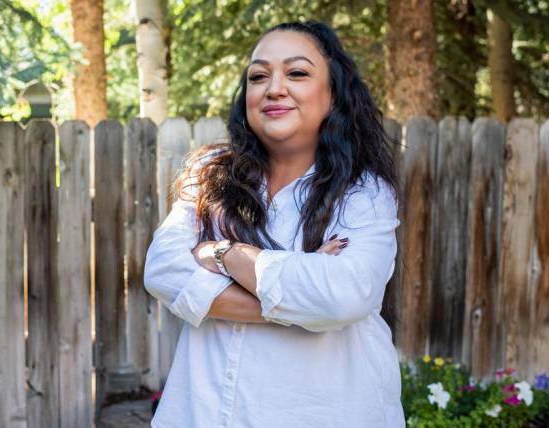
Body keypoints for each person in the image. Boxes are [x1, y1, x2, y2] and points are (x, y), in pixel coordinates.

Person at [143, 20, 404, 427]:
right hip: (204, 412)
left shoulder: (363, 193)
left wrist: (224, 254)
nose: (273, 88)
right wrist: (300, 300)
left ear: (333, 93)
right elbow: (162, 269)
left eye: (297, 73)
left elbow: (345, 295)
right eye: (258, 76)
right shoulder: (210, 174)